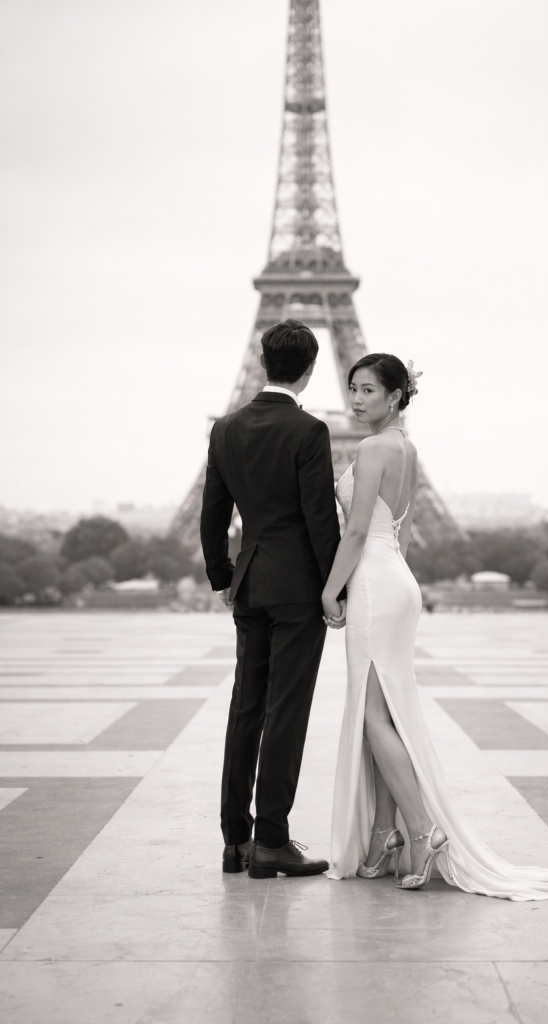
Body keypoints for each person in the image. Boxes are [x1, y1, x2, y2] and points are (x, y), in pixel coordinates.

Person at [323, 353, 548, 898]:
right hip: (397, 580)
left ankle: (423, 828)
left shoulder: (371, 448)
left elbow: (354, 534)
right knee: (385, 713)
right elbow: (403, 531)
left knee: (371, 717)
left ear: (395, 396)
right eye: (353, 388)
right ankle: (384, 835)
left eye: (368, 390)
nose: (357, 399)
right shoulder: (407, 450)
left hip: (372, 582)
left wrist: (330, 589)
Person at [200, 319, 346, 880]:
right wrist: (335, 589)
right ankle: (272, 842)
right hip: (297, 590)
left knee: (245, 709)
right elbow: (318, 520)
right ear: (311, 369)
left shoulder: (226, 429)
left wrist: (222, 577)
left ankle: (234, 842)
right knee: (287, 712)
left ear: (263, 362)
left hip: (251, 584)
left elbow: (214, 515)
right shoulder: (308, 431)